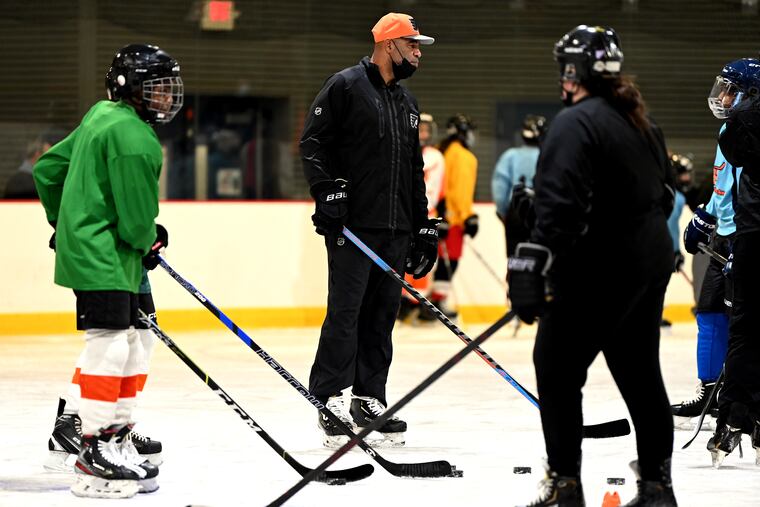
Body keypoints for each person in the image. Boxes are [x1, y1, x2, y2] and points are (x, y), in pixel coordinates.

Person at [508, 26, 677, 506]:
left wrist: (532, 256)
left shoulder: (574, 122)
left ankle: (564, 486)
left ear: (573, 70)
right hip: (648, 262)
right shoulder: (640, 121)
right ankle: (657, 489)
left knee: (556, 368)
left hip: (599, 267)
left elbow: (562, 210)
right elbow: (663, 196)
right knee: (640, 371)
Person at [33, 43, 183, 498]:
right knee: (112, 343)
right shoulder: (136, 138)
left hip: (107, 252)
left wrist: (66, 223)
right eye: (156, 89)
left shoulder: (101, 114)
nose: (167, 97)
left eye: (168, 88)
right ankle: (93, 447)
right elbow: (137, 223)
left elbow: (47, 170)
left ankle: (112, 434)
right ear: (130, 88)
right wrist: (149, 238)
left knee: (137, 339)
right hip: (107, 253)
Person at [300, 12, 437, 448]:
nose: (417, 53)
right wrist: (327, 191)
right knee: (346, 313)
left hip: (396, 228)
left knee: (381, 316)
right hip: (353, 226)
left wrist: (422, 227)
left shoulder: (407, 102)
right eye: (412, 45)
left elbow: (413, 169)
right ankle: (330, 397)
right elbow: (313, 143)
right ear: (389, 44)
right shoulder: (345, 86)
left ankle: (368, 397)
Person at [670, 59, 760, 436]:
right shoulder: (728, 130)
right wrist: (706, 214)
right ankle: (710, 392)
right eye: (722, 89)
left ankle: (742, 400)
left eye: (730, 91)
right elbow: (724, 186)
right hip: (724, 233)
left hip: (744, 235)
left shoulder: (750, 133)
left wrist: (742, 238)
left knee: (742, 322)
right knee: (708, 311)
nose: (722, 98)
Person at [706, 58, 760, 468]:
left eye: (731, 91)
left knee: (743, 330)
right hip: (748, 236)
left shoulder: (737, 128)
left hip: (752, 238)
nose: (724, 99)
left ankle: (733, 416)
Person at [424, 114, 479, 320]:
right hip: (453, 218)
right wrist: (468, 217)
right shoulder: (464, 156)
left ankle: (421, 302)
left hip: (432, 215)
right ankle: (436, 302)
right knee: (450, 261)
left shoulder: (438, 150)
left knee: (428, 260)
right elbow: (460, 193)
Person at [398, 112, 446, 323]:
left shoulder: (436, 157)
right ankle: (403, 302)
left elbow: (438, 189)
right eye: (420, 129)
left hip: (426, 215)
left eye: (426, 130)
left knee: (423, 259)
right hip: (404, 214)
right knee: (402, 256)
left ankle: (419, 302)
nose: (423, 134)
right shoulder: (402, 151)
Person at [491, 114, 546, 257]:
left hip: (516, 211)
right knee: (538, 257)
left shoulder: (510, 155)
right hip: (541, 213)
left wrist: (503, 213)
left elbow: (500, 189)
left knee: (515, 258)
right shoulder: (547, 156)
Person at [661, 152, 693, 327]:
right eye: (683, 174)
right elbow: (671, 225)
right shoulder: (676, 198)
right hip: (659, 247)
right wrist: (674, 250)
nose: (687, 178)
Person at [3, 129, 65, 199]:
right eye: (48, 156)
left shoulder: (24, 180)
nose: (52, 162)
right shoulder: (22, 183)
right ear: (37, 154)